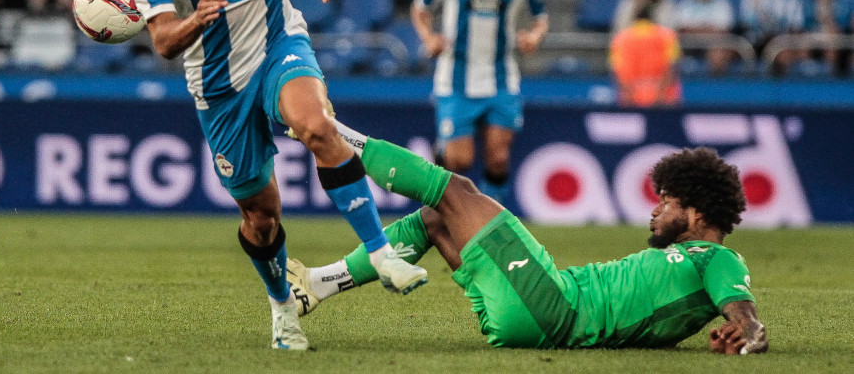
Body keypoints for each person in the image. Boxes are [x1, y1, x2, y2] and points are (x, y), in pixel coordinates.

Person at [126, 0, 427, 350]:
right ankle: (283, 308)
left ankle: (381, 253)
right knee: (261, 219)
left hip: (277, 44)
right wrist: (195, 19)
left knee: (315, 125)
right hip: (219, 87)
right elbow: (161, 42)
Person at [283, 124, 769, 354]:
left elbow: (744, 310)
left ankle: (329, 132)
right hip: (539, 309)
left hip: (552, 307)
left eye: (666, 200)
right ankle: (318, 284)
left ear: (697, 210)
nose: (655, 209)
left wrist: (747, 332)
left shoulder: (715, 258)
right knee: (437, 218)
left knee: (456, 189)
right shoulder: (689, 262)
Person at [411, 0, 548, 203]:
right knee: (460, 162)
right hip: (456, 77)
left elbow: (541, 16)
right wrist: (428, 37)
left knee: (498, 156)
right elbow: (420, 8)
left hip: (501, 76)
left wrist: (534, 36)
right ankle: (442, 151)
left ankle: (489, 226)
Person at [610, 3, 682, 107]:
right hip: (664, 100)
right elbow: (672, 67)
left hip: (632, 100)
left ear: (634, 18)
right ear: (653, 17)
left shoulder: (620, 39)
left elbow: (617, 71)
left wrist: (630, 96)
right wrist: (660, 95)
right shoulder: (668, 36)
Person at [675, 0, 736, 74]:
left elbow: (723, 31)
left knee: (718, 55)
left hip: (713, 46)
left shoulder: (722, 4)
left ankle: (715, 89)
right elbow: (682, 30)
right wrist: (709, 29)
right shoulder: (685, 3)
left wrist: (695, 30)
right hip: (688, 46)